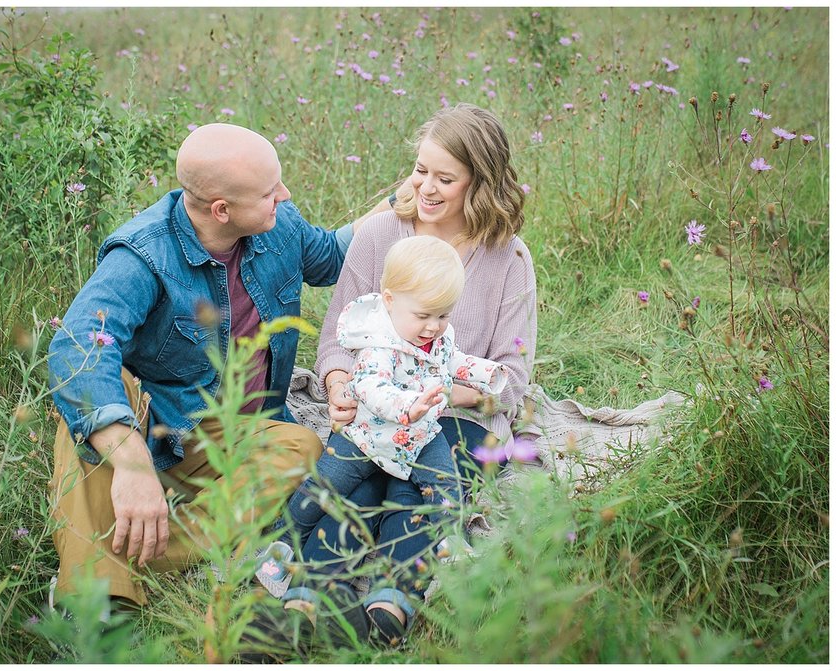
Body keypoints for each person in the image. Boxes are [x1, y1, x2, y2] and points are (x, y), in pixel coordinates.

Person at [248, 103, 537, 655]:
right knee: (359, 477)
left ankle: (386, 606)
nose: (425, 186)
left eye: (445, 178)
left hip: (455, 410)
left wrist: (438, 395)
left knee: (415, 487)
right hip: (377, 398)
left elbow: (513, 375)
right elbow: (337, 336)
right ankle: (310, 601)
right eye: (421, 169)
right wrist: (336, 387)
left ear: (482, 184)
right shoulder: (381, 234)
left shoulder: (508, 259)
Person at [46, 123, 363, 611]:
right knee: (89, 407)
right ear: (222, 210)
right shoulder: (144, 254)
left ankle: (125, 557)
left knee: (299, 444)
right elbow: (77, 349)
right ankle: (97, 599)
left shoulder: (280, 225)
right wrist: (131, 463)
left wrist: (413, 196)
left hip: (233, 428)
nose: (285, 194)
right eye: (269, 191)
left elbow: (334, 257)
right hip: (157, 421)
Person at [259, 236, 506, 585]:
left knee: (444, 481)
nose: (433, 326)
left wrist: (485, 374)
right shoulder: (378, 347)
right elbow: (370, 389)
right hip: (365, 436)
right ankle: (281, 546)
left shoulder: (437, 336)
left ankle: (449, 539)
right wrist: (409, 405)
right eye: (423, 316)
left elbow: (453, 360)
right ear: (390, 301)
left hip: (418, 436)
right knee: (324, 489)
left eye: (443, 315)